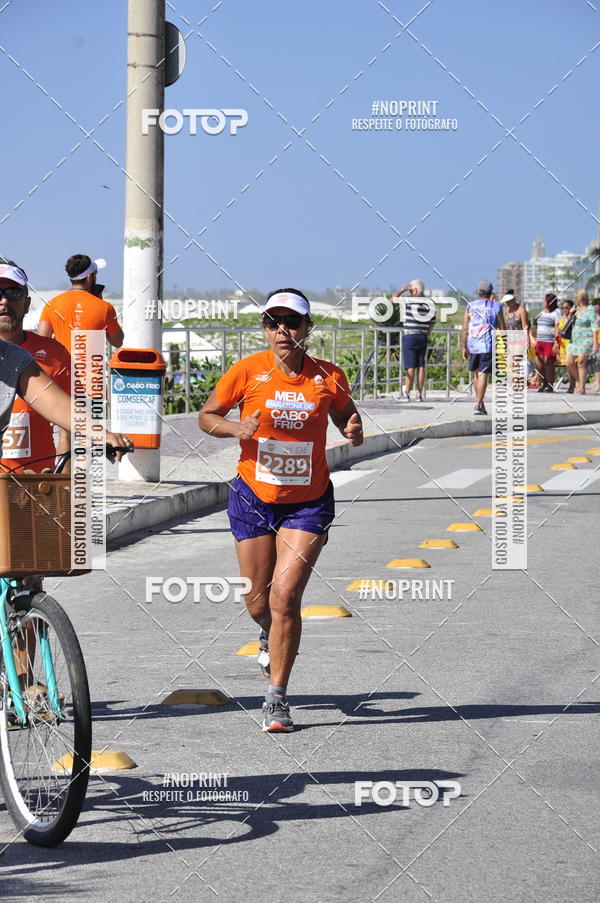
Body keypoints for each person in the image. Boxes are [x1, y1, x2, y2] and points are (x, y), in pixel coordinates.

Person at [198, 288, 363, 733]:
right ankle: (266, 632)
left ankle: (276, 698)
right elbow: (206, 415)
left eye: (292, 322)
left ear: (308, 329)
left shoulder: (328, 376)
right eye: (273, 322)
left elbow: (346, 413)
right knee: (257, 603)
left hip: (307, 502)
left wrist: (352, 426)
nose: (282, 331)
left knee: (285, 596)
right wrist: (236, 425)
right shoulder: (247, 371)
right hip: (253, 497)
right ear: (264, 328)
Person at [0, 260, 71, 473]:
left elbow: (68, 423)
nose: (4, 301)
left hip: (38, 478)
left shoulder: (55, 353)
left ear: (27, 302)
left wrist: (63, 484)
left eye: (14, 292)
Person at [38, 254, 124, 353]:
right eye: (95, 274)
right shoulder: (105, 307)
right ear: (89, 277)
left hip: (63, 367)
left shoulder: (52, 305)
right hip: (92, 367)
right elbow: (118, 341)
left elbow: (41, 342)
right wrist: (100, 302)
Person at [461, 280, 505, 415]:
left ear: (478, 292)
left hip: (473, 343)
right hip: (487, 345)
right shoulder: (496, 306)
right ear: (491, 292)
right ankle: (478, 404)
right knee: (483, 374)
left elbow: (464, 328)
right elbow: (502, 327)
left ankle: (479, 402)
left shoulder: (470, 306)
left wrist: (464, 347)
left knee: (476, 373)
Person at [391, 280, 436, 401]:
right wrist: (426, 334)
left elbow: (393, 300)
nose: (410, 293)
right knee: (421, 365)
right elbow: (432, 322)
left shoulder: (408, 301)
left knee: (410, 365)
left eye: (411, 290)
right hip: (422, 336)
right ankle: (419, 394)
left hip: (410, 336)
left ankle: (406, 393)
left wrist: (402, 289)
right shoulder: (429, 303)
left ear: (415, 290)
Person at [566, 288, 595, 394]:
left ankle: (582, 387)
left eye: (576, 297)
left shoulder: (590, 309)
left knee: (581, 363)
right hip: (574, 339)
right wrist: (570, 313)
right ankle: (580, 382)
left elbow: (594, 325)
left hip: (586, 339)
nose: (575, 299)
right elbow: (568, 322)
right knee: (569, 362)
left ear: (580, 297)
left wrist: (595, 343)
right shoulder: (575, 308)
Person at [533, 293, 561, 392]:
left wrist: (556, 344)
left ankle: (550, 385)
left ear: (549, 302)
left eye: (544, 300)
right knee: (539, 364)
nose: (543, 302)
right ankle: (544, 382)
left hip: (549, 342)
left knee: (548, 364)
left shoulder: (556, 313)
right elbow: (537, 326)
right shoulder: (541, 313)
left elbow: (558, 329)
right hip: (540, 341)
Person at [556, 299, 576, 393]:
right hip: (562, 345)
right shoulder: (561, 319)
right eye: (563, 308)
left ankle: (572, 386)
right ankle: (572, 385)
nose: (564, 310)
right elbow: (558, 333)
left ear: (571, 308)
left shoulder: (574, 318)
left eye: (567, 308)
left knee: (571, 365)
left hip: (571, 343)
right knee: (568, 366)